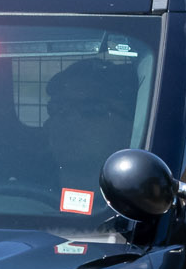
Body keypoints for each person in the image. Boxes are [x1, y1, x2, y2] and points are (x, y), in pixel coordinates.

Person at [41, 56, 140, 191]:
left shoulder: (152, 202)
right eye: (58, 107)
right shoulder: (15, 190)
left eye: (92, 109)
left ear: (132, 126)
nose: (70, 118)